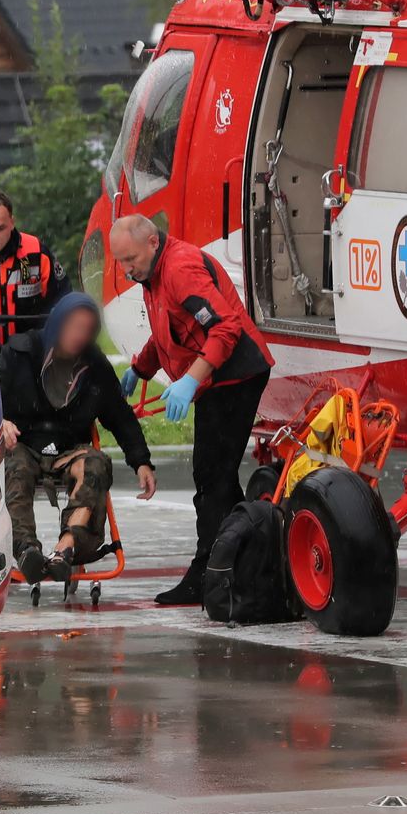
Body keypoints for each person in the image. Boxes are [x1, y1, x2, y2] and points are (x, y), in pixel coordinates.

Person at [109, 215, 273, 606]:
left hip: (236, 376)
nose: (126, 269)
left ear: (152, 242)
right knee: (217, 478)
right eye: (120, 262)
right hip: (215, 380)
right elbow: (168, 329)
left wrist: (191, 379)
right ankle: (243, 560)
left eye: (130, 258)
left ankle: (208, 574)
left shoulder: (180, 268)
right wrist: (139, 368)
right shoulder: (152, 274)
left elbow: (226, 328)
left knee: (211, 477)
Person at [0, 292, 156, 585]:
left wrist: (141, 462)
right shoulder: (20, 353)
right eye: (73, 326)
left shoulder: (95, 367)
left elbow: (120, 417)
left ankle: (66, 548)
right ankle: (25, 548)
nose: (79, 335)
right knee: (14, 465)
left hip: (69, 450)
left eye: (87, 329)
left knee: (96, 463)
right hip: (21, 445)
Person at [0, 188, 69, 349]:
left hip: (30, 356)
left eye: (0, 228)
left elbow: (65, 298)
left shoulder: (36, 252)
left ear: (12, 223)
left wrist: (61, 312)